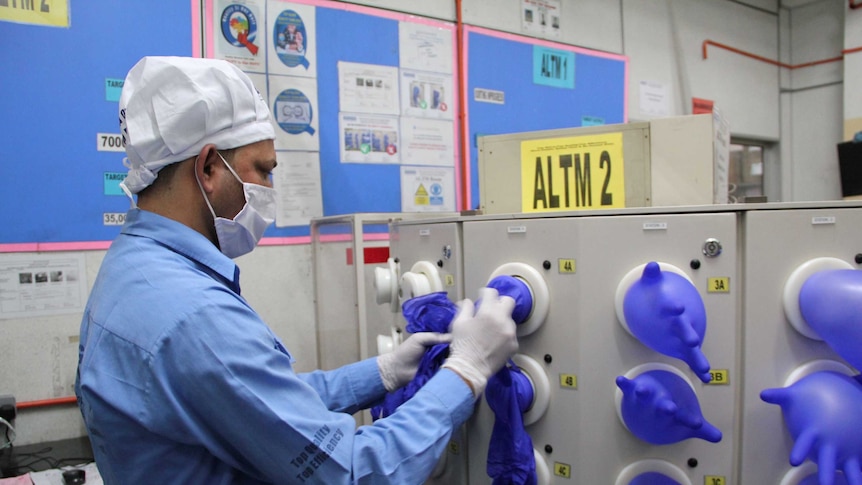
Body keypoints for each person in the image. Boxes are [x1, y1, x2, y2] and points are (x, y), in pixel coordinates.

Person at [74, 56, 518, 484]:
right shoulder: (193, 315)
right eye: (262, 171)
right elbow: (352, 473)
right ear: (208, 166)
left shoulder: (133, 268)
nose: (269, 189)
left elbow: (258, 409)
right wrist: (467, 371)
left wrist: (382, 373)